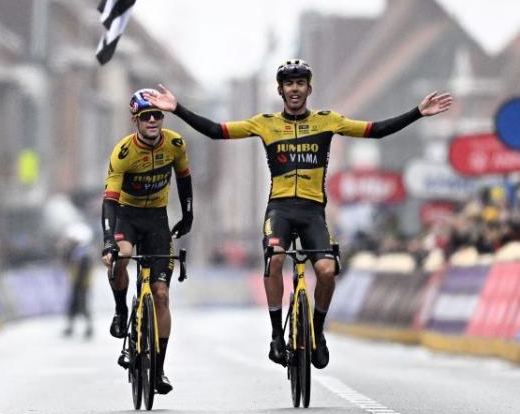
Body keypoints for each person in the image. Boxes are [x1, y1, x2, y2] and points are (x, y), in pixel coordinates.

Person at [144, 59, 452, 370]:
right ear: (280, 90)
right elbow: (216, 131)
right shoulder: (265, 123)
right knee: (276, 258)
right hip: (279, 209)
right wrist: (177, 108)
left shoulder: (327, 121)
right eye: (289, 84)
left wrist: (417, 113)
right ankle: (277, 334)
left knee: (328, 271)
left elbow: (375, 131)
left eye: (300, 83)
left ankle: (317, 331)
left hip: (312, 211)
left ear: (309, 88)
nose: (294, 89)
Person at [101, 89, 193, 395]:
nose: (152, 120)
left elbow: (184, 179)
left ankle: (159, 369)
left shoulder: (175, 143)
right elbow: (110, 202)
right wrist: (107, 242)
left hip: (156, 220)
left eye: (157, 115)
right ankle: (121, 310)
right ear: (135, 121)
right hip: (127, 216)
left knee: (162, 294)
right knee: (121, 257)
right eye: (145, 116)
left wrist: (188, 214)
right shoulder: (123, 153)